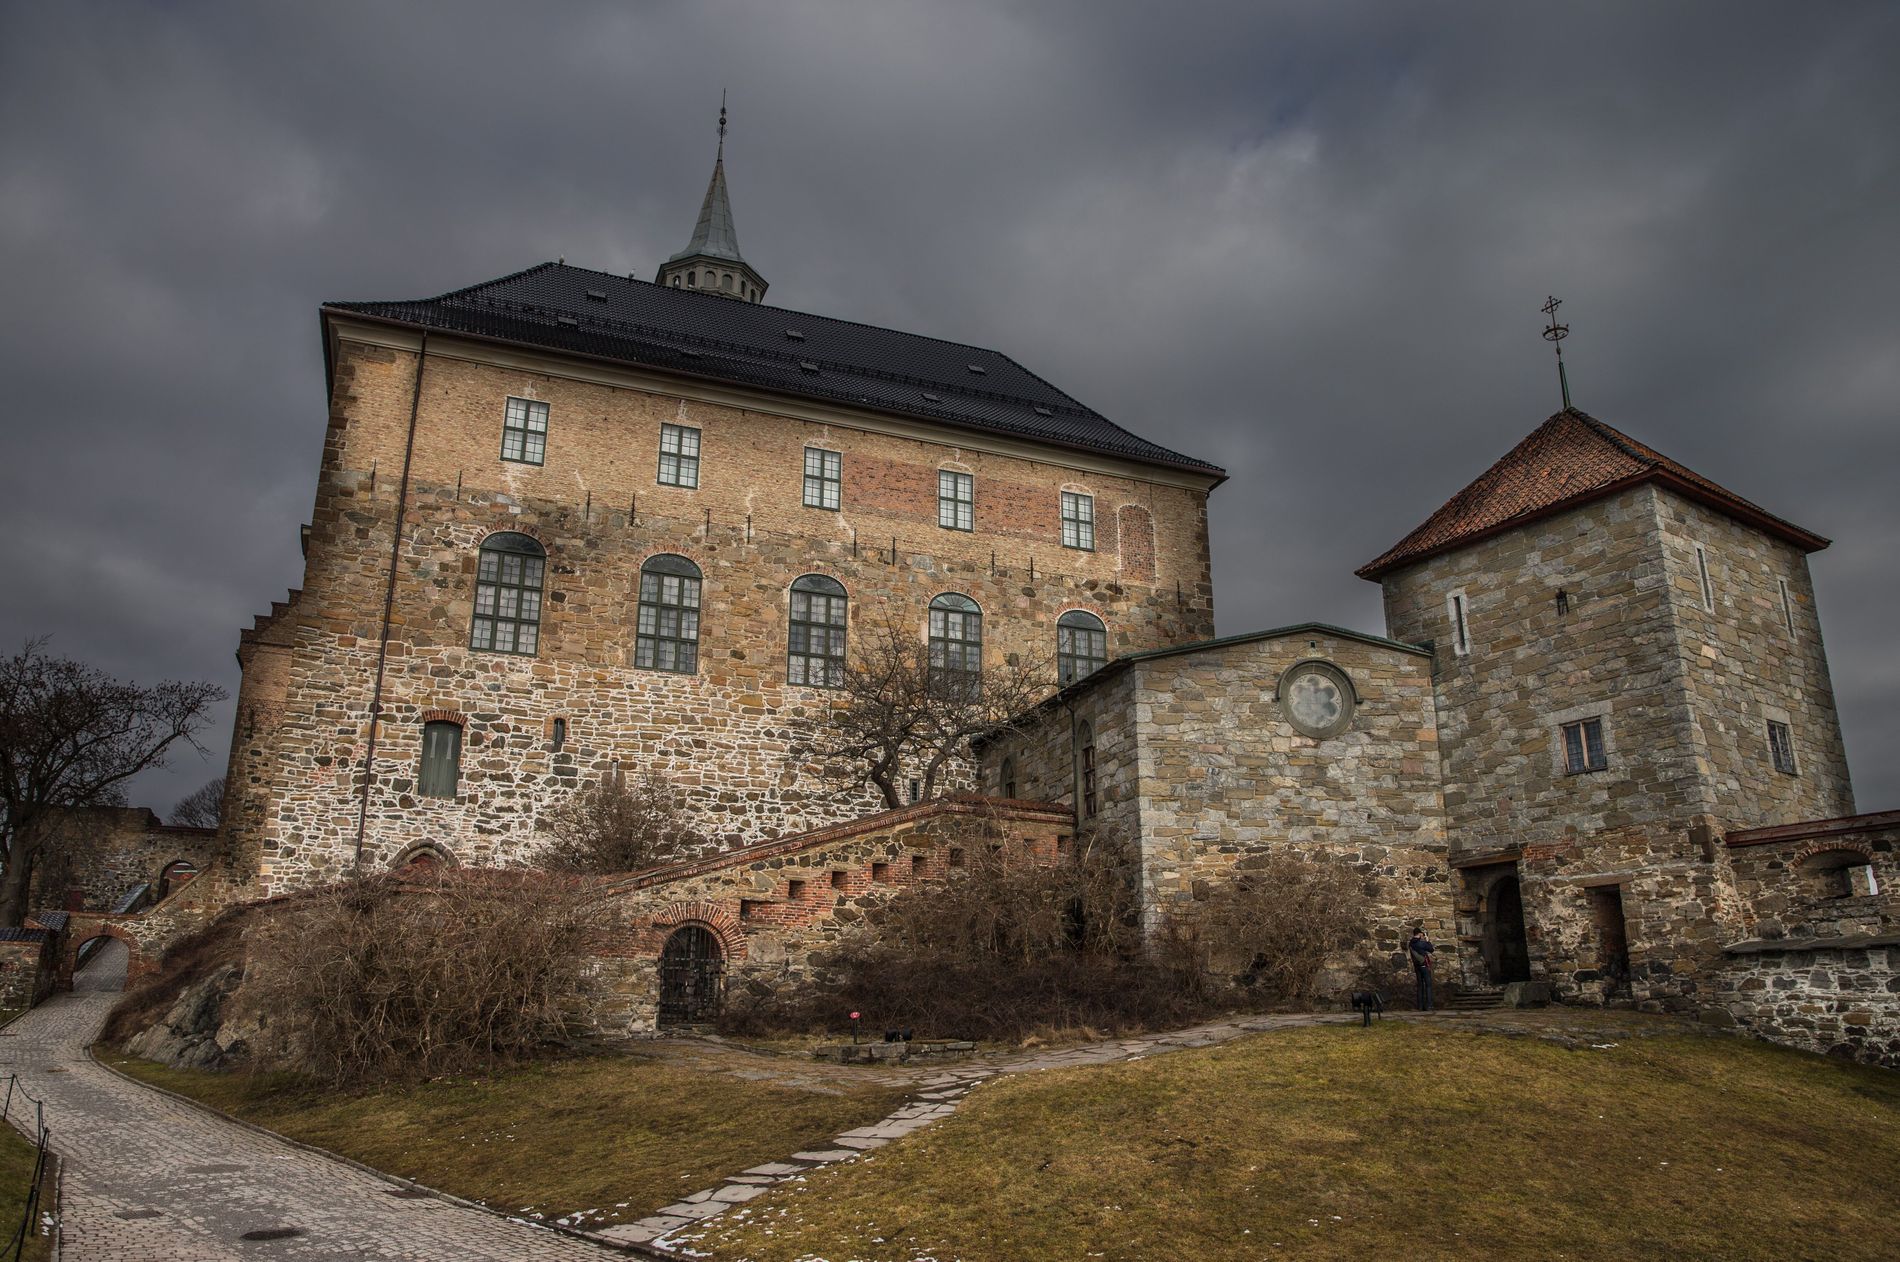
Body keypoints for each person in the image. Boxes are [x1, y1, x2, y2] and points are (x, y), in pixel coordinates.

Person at [1408, 927, 1436, 1012]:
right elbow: (1431, 949)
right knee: (1428, 985)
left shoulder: (1411, 943)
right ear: (1420, 934)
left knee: (1420, 986)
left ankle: (1420, 1006)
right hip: (1424, 965)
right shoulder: (1421, 943)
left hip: (1417, 966)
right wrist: (1427, 940)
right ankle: (1429, 1005)